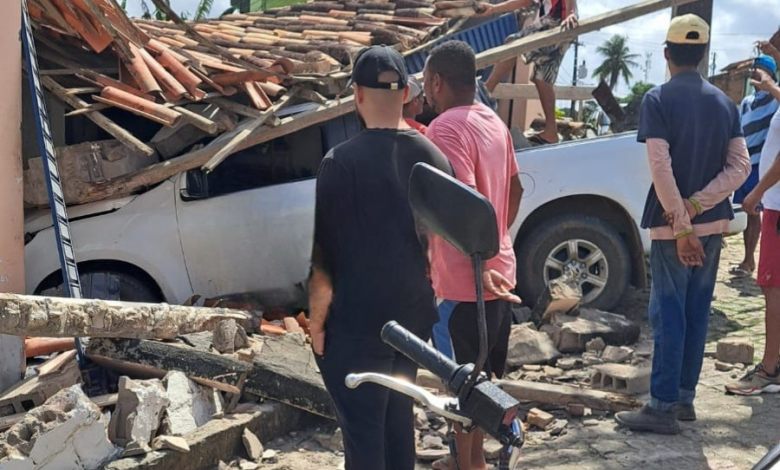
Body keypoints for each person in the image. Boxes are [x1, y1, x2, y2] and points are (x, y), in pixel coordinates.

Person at [308, 45, 452, 470]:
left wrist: (316, 325)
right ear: (406, 93)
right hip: (410, 321)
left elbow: (324, 260)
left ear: (357, 94)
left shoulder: (340, 164)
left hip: (357, 326)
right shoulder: (434, 157)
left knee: (364, 439)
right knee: (395, 427)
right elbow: (445, 242)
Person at [614, 14, 750, 435]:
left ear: (667, 53)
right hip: (712, 227)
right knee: (696, 312)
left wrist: (681, 220)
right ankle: (685, 399)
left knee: (668, 314)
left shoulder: (657, 99)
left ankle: (661, 406)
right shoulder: (725, 104)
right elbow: (740, 168)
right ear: (704, 54)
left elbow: (660, 166)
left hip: (674, 230)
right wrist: (698, 207)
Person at [423, 40, 523, 470]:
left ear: (437, 81)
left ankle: (471, 465)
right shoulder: (493, 122)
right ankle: (470, 459)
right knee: (481, 381)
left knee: (464, 385)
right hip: (496, 273)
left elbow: (461, 204)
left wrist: (479, 260)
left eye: (426, 82)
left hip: (467, 283)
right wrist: (498, 239)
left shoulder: (445, 128)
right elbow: (515, 189)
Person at [726, 67, 780, 395]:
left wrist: (758, 191)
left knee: (774, 287)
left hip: (777, 203)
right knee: (770, 287)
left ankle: (770, 368)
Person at [478, 0, 578, 145]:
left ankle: (487, 91)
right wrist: (494, 9)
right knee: (542, 79)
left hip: (557, 23)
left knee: (513, 43)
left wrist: (570, 13)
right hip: (563, 27)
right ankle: (551, 132)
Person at [730, 55, 779, 279]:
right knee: (748, 211)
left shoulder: (774, 99)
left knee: (756, 212)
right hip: (746, 162)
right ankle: (748, 259)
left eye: (761, 70)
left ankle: (750, 260)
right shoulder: (748, 101)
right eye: (754, 69)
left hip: (763, 164)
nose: (755, 73)